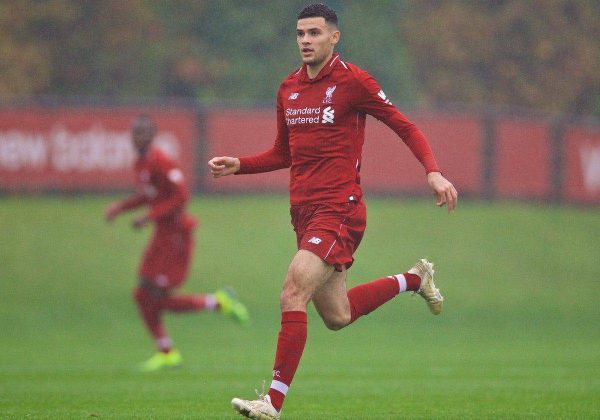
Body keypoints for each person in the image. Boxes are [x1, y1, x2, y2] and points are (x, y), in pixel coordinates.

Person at [208, 3, 458, 418]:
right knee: (337, 316)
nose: (306, 41)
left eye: (314, 33)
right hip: (304, 214)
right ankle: (414, 278)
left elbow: (404, 125)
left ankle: (272, 401)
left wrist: (433, 171)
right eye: (301, 34)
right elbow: (283, 153)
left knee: (293, 289)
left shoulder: (353, 82)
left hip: (340, 210)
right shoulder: (288, 88)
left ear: (333, 37)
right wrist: (242, 165)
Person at [106, 114, 250, 372]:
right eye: (134, 133)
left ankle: (215, 305)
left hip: (175, 237)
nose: (137, 137)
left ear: (151, 136)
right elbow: (147, 195)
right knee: (143, 296)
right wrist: (120, 208)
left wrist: (149, 217)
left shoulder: (161, 160)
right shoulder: (141, 163)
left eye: (142, 133)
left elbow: (181, 195)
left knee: (154, 297)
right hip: (162, 235)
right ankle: (169, 349)